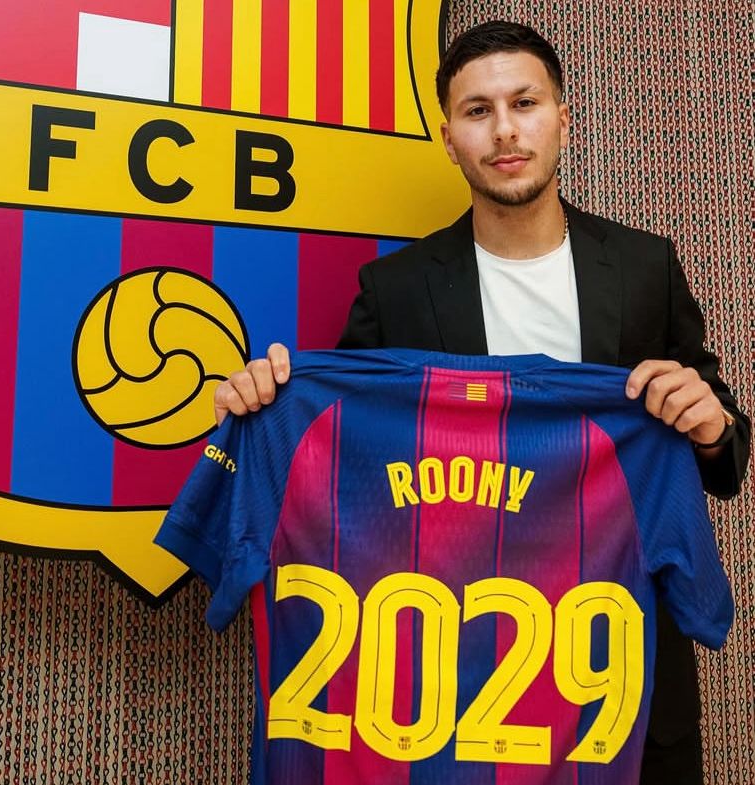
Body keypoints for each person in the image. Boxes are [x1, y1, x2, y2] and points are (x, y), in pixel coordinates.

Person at [212, 20, 750, 785]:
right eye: (477, 111)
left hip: (618, 673)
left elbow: (725, 452)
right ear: (449, 139)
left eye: (524, 102)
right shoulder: (396, 289)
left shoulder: (643, 267)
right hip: (457, 682)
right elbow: (342, 461)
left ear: (562, 119)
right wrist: (265, 406)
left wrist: (710, 426)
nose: (504, 130)